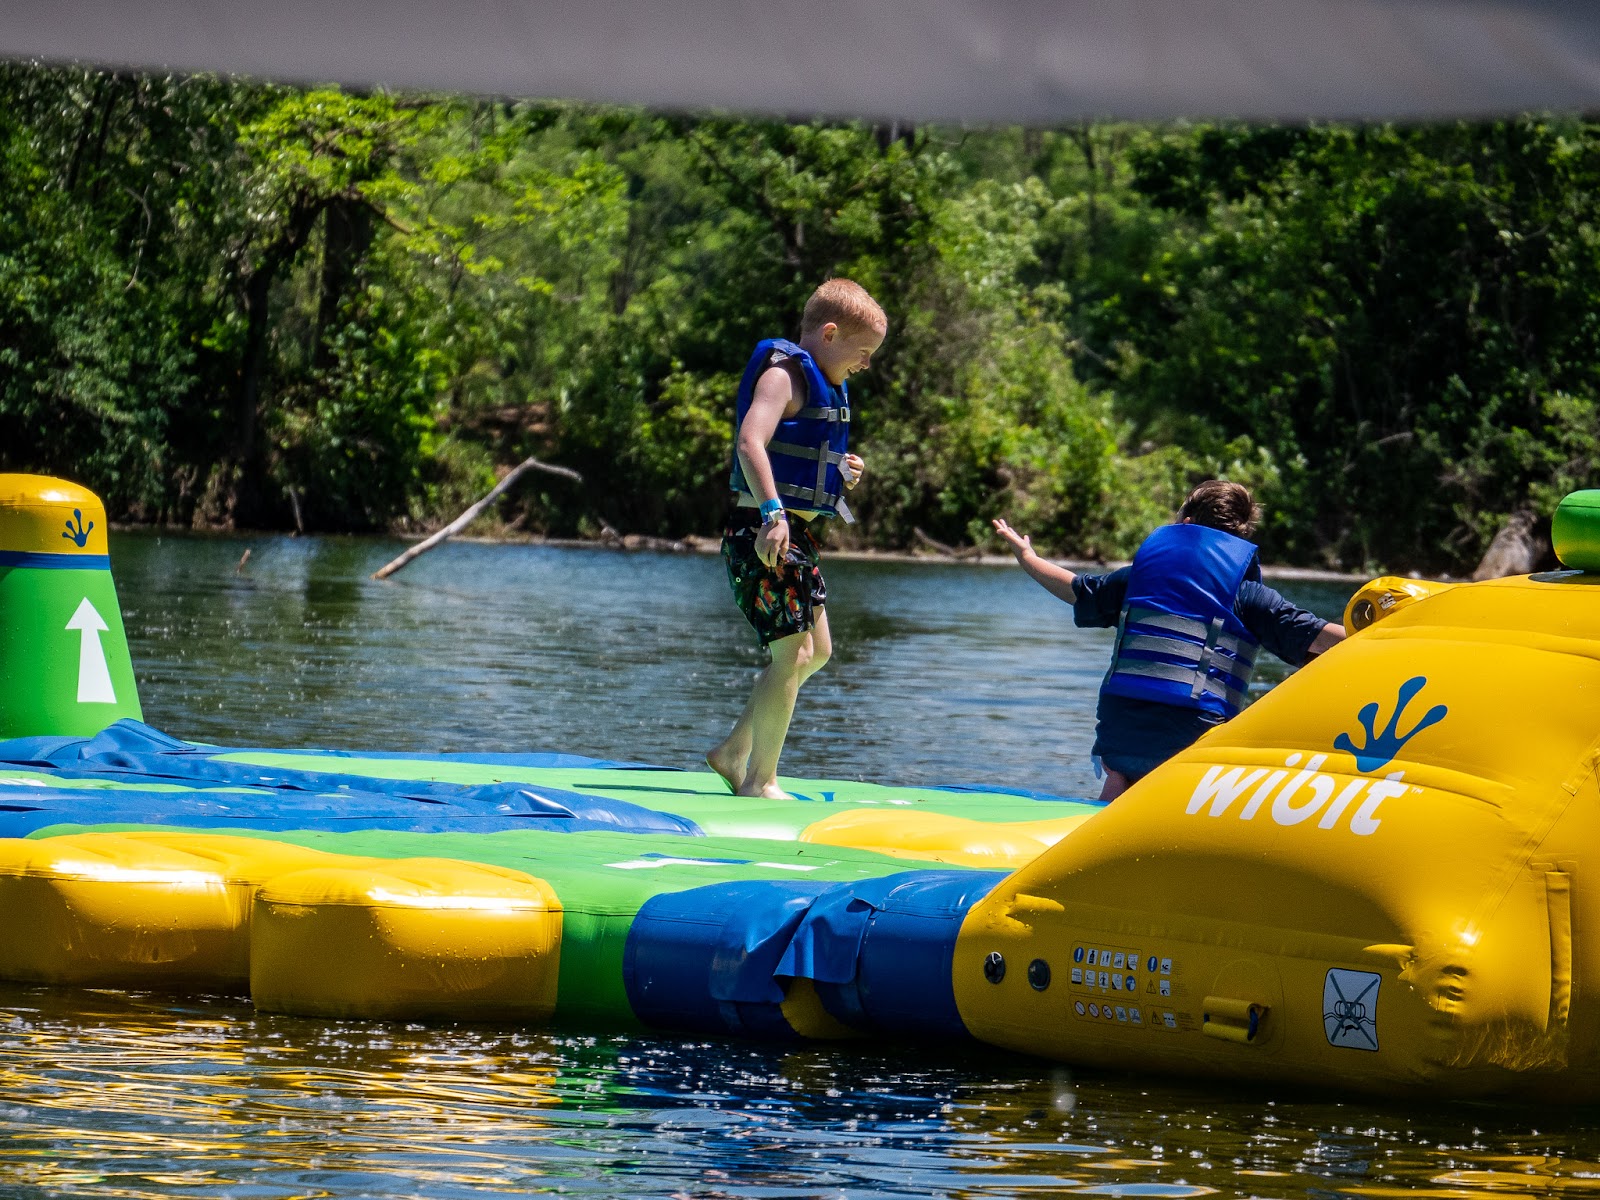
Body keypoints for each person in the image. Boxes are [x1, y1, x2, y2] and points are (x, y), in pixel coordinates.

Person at [992, 480, 1345, 801]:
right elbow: (1321, 638)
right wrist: (1392, 626)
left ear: (1186, 524)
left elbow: (1077, 590)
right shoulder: (1247, 595)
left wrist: (1029, 559)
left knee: (1119, 778)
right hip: (1191, 743)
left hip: (1122, 731)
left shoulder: (1140, 580)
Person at [705, 279, 887, 798]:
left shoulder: (826, 386)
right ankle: (760, 780)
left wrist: (841, 473)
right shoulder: (784, 376)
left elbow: (801, 454)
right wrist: (772, 511)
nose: (866, 364)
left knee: (818, 651)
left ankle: (734, 751)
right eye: (864, 352)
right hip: (762, 531)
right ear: (829, 334)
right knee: (794, 654)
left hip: (792, 531)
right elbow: (750, 440)